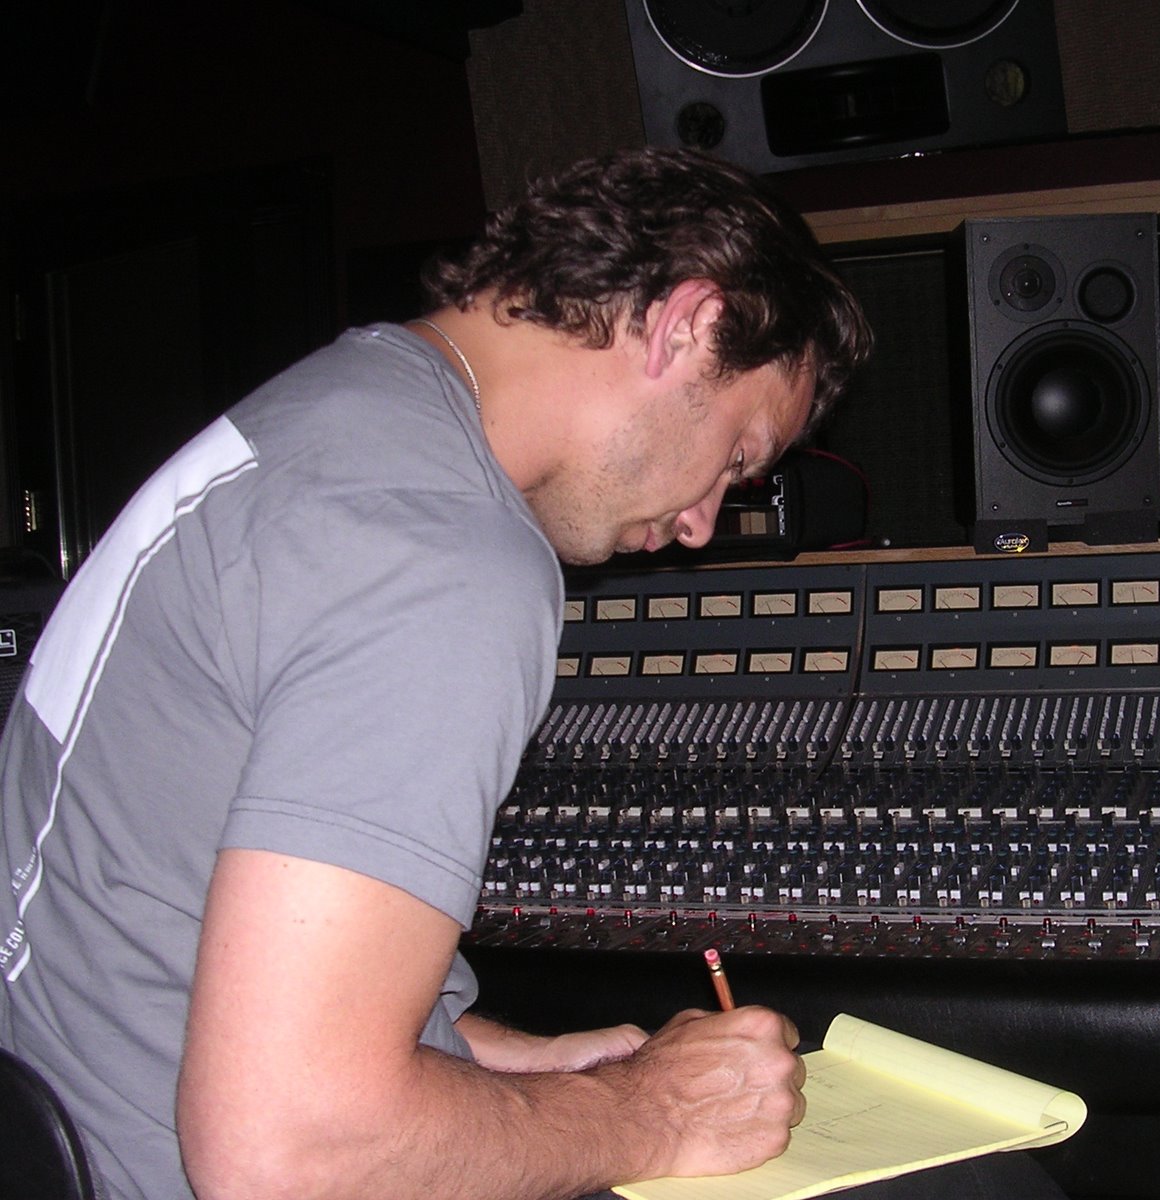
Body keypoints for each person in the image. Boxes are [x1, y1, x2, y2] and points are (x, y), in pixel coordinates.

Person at [0, 148, 1066, 1200]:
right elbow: (292, 1151)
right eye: (738, 457)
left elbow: (169, 937)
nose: (703, 524)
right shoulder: (441, 551)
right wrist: (656, 1112)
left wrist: (520, 1071)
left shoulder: (326, 417)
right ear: (688, 326)